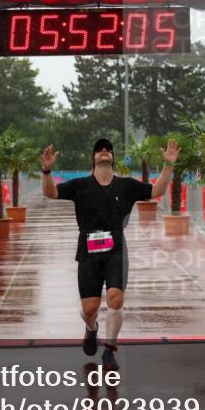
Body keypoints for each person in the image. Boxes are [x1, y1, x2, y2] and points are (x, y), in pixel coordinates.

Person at [41, 137, 179, 369]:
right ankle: (91, 328)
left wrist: (168, 165)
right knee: (90, 309)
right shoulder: (80, 185)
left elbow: (157, 190)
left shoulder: (126, 185)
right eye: (99, 150)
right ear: (93, 158)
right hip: (88, 252)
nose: (104, 152)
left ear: (112, 157)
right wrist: (46, 170)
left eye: (108, 150)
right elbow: (51, 193)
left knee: (116, 299)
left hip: (116, 251)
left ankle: (110, 350)